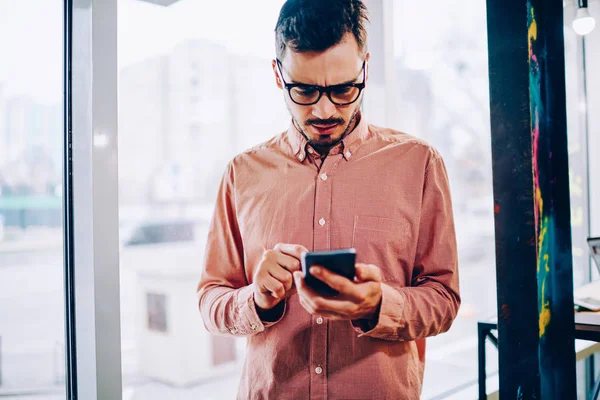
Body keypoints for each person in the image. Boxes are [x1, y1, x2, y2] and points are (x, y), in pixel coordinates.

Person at [197, 0, 460, 398]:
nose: (324, 110)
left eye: (343, 89)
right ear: (277, 73)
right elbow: (210, 300)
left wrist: (378, 305)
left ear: (366, 69)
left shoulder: (418, 164)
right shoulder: (242, 173)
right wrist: (258, 299)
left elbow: (444, 300)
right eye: (303, 89)